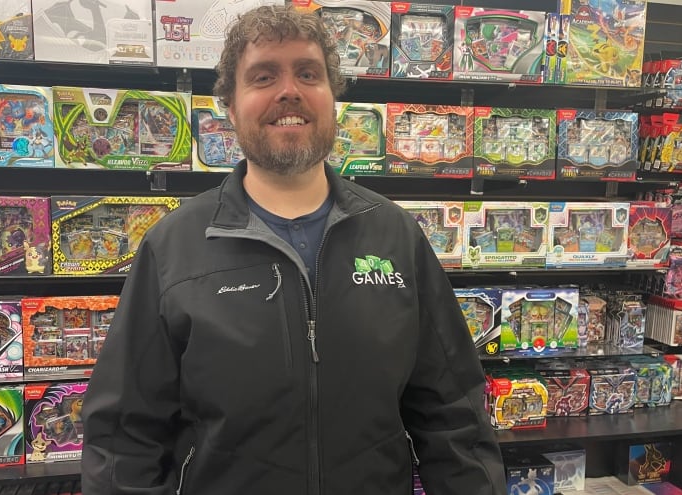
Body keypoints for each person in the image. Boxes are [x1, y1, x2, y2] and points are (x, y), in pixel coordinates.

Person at [81, 5, 506, 494]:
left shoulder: (395, 236)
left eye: (308, 73)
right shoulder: (173, 248)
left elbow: (455, 419)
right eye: (263, 76)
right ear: (231, 106)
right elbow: (124, 438)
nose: (289, 90)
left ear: (332, 98)